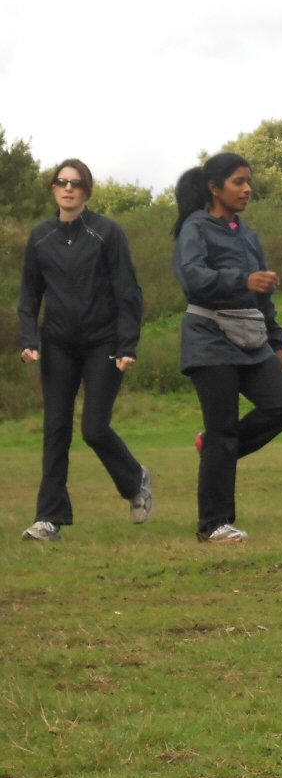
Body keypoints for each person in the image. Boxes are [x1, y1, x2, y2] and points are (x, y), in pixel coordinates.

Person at [17, 159, 151, 540]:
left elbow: (129, 291)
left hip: (104, 343)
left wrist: (128, 344)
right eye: (62, 182)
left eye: (76, 183)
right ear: (53, 188)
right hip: (58, 343)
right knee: (56, 429)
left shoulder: (107, 232)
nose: (68, 188)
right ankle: (49, 519)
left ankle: (135, 480)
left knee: (94, 428)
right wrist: (29, 339)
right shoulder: (40, 237)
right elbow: (29, 295)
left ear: (87, 190)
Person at [173, 153, 282, 543]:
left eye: (249, 181)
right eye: (238, 182)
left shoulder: (247, 234)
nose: (247, 189)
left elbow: (262, 293)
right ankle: (214, 524)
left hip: (251, 339)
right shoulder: (194, 228)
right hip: (209, 339)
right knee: (223, 430)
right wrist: (243, 280)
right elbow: (193, 279)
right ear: (215, 188)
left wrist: (276, 341)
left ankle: (213, 447)